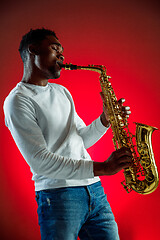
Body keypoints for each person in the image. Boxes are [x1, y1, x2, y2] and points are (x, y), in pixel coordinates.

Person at [3, 28, 132, 240]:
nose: (62, 55)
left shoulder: (62, 92)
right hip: (58, 195)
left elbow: (80, 140)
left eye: (62, 51)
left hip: (94, 191)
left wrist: (105, 119)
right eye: (55, 49)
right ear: (33, 50)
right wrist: (104, 168)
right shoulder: (18, 100)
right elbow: (40, 162)